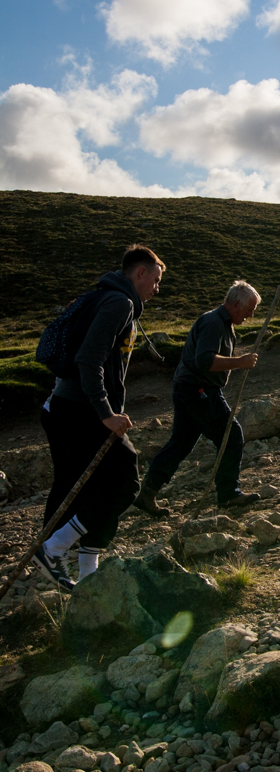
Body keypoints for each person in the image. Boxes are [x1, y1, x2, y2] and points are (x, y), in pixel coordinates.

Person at [34, 245, 166, 592]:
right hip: (82, 408)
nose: (157, 288)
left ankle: (84, 575)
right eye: (155, 280)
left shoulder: (108, 298)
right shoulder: (118, 303)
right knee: (125, 481)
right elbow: (88, 359)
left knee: (85, 486)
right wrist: (105, 412)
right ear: (140, 272)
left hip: (68, 405)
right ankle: (53, 549)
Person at [135, 280, 263, 516]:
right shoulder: (213, 323)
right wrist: (240, 363)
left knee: (181, 443)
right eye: (249, 310)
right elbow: (204, 361)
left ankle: (147, 493)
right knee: (231, 436)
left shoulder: (222, 323)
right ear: (236, 304)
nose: (251, 315)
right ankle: (228, 494)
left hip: (190, 389)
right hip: (199, 391)